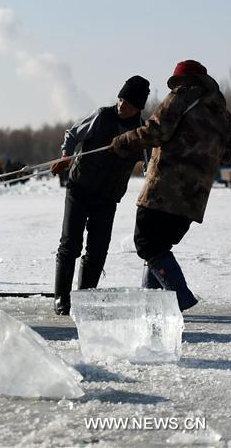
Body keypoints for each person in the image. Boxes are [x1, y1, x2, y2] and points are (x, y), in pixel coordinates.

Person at [111, 61, 231, 311]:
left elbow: (156, 131)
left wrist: (123, 141)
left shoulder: (183, 96)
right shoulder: (225, 115)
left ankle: (180, 297)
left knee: (148, 244)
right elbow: (227, 156)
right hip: (194, 198)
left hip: (165, 190)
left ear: (185, 80)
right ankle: (151, 305)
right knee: (157, 248)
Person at [49, 75, 150, 315]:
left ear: (137, 107)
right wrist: (66, 156)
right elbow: (72, 134)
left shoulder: (141, 132)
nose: (121, 106)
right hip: (80, 188)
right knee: (70, 244)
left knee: (97, 249)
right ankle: (61, 298)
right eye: (120, 99)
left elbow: (149, 163)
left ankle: (84, 299)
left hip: (107, 197)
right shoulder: (102, 116)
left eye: (127, 103)